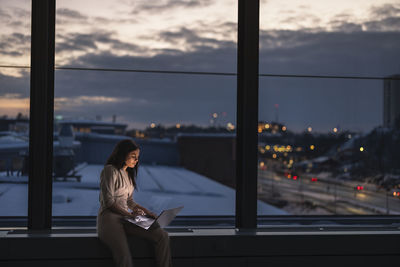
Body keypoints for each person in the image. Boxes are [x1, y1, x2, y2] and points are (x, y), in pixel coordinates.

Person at [97, 139, 172, 267]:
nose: (136, 160)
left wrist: (148, 213)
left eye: (137, 157)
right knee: (124, 256)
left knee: (162, 236)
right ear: (122, 154)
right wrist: (130, 215)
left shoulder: (128, 175)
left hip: (126, 217)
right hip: (109, 218)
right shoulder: (110, 170)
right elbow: (109, 202)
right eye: (133, 156)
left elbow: (129, 201)